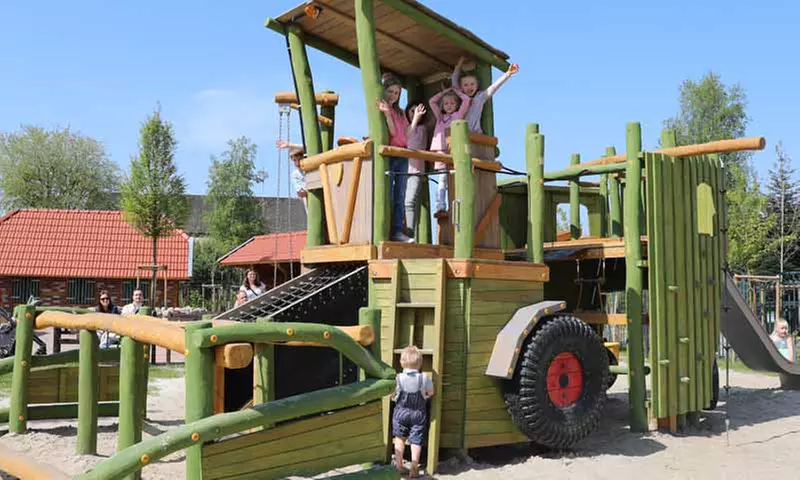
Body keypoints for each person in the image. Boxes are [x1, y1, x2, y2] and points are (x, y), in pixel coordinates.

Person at [377, 74, 413, 242]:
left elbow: (407, 134)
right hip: (390, 155)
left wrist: (417, 118)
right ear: (384, 91)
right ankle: (386, 230)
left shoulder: (400, 112)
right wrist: (386, 114)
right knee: (388, 194)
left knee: (400, 195)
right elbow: (392, 132)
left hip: (402, 155)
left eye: (396, 93)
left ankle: (398, 231)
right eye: (390, 91)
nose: (393, 95)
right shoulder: (386, 109)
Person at [392, 345, 434, 478]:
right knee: (416, 440)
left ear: (401, 363)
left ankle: (399, 465)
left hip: (400, 412)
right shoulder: (423, 378)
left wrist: (394, 398)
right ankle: (414, 465)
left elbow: (392, 394)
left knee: (399, 438)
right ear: (420, 364)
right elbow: (431, 392)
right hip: (418, 414)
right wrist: (425, 397)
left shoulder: (398, 378)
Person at [429, 87, 470, 218]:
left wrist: (456, 91)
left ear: (456, 105)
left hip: (454, 151)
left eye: (452, 103)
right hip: (441, 150)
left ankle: (459, 205)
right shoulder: (440, 118)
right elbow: (432, 101)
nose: (449, 106)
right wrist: (444, 92)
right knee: (442, 179)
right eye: (446, 103)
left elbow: (466, 99)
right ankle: (440, 206)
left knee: (456, 178)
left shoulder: (458, 115)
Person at [451, 58, 520, 134]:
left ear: (477, 86)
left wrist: (508, 74)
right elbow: (454, 80)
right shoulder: (461, 97)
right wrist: (459, 65)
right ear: (461, 87)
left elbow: (493, 87)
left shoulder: (479, 98)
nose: (469, 87)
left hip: (475, 133)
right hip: (461, 132)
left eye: (472, 84)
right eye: (465, 85)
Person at [403, 103, 428, 242]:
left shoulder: (422, 129)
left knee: (409, 202)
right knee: (400, 202)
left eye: (418, 111)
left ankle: (409, 235)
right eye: (412, 111)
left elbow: (412, 140)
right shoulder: (405, 126)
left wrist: (416, 120)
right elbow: (406, 136)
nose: (415, 113)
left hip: (415, 170)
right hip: (402, 169)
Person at [276, 140, 307, 210]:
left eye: (299, 159)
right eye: (294, 160)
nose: (297, 163)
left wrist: (290, 145)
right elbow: (301, 192)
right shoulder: (296, 174)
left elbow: (308, 148)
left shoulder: (313, 167)